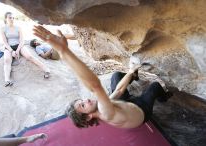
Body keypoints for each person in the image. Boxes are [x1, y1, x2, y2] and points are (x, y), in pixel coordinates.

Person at [33, 25, 173, 129]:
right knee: (155, 87)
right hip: (142, 109)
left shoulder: (103, 108)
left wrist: (131, 71)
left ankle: (134, 75)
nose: (86, 99)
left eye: (82, 100)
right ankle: (163, 97)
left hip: (126, 104)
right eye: (83, 105)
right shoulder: (106, 113)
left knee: (117, 76)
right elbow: (95, 85)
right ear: (88, 116)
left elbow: (118, 91)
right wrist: (64, 51)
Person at [1, 12, 51, 87]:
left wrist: (17, 51)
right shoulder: (3, 29)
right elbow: (5, 42)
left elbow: (22, 41)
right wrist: (12, 51)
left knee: (29, 56)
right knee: (7, 60)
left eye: (13, 17)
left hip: (19, 46)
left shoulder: (18, 28)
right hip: (9, 47)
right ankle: (7, 80)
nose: (12, 19)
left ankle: (46, 70)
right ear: (6, 19)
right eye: (10, 18)